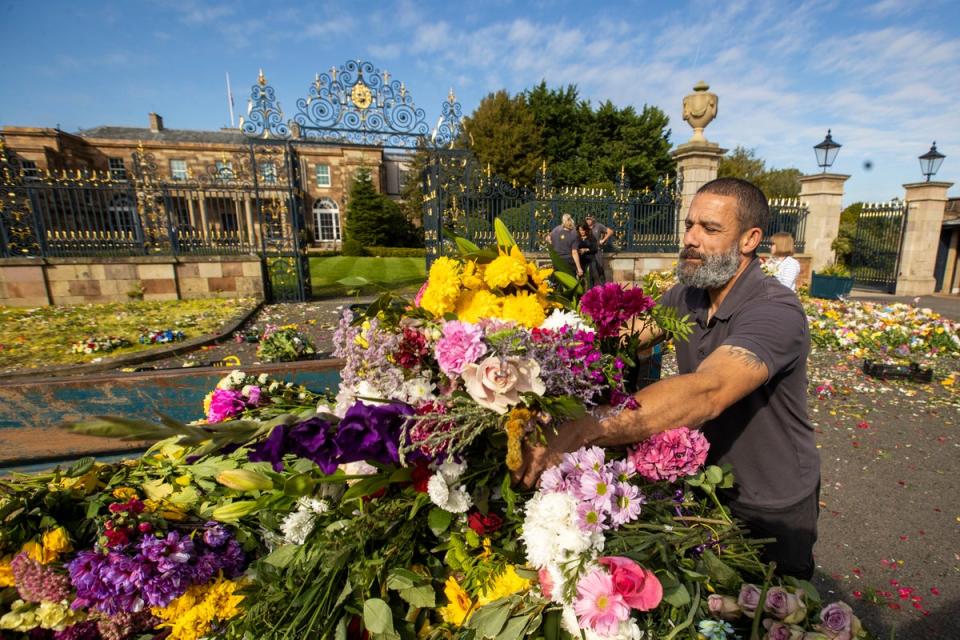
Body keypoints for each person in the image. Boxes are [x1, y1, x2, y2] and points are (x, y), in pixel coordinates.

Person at [517, 178, 820, 580]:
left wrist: (582, 429)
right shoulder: (688, 294)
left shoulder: (775, 310)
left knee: (769, 613)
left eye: (710, 229)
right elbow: (623, 337)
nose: (691, 239)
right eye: (689, 225)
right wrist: (532, 359)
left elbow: (707, 391)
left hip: (770, 501)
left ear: (749, 239)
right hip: (705, 486)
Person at [548, 213, 583, 279]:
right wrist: (579, 268)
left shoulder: (556, 229)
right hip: (568, 262)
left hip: (557, 260)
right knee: (570, 282)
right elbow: (574, 252)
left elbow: (548, 237)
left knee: (558, 281)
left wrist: (552, 243)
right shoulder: (574, 234)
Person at [584, 215, 613, 283]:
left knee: (599, 268)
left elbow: (610, 232)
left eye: (589, 219)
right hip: (588, 251)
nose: (588, 220)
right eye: (587, 219)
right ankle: (590, 288)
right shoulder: (584, 227)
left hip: (597, 251)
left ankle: (603, 286)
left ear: (593, 219)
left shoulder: (598, 226)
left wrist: (603, 240)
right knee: (589, 270)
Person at [576, 222, 600, 288]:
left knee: (590, 279)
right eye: (580, 230)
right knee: (580, 279)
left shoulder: (591, 238)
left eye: (583, 230)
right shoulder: (576, 238)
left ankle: (590, 294)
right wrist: (578, 251)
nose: (582, 232)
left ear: (586, 229)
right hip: (580, 261)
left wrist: (586, 250)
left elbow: (595, 249)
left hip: (590, 261)